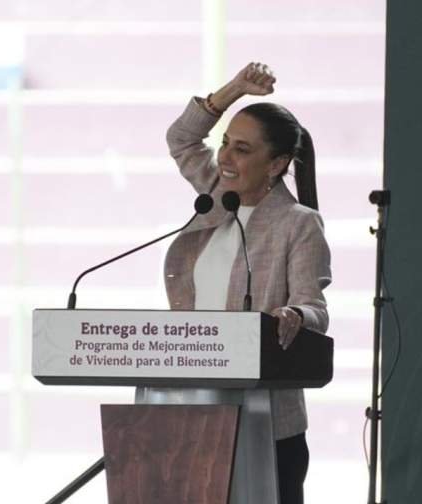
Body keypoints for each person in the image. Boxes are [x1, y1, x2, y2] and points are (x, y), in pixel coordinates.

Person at [163, 62, 332, 504]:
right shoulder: (217, 196)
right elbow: (181, 138)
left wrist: (294, 315)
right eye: (225, 144)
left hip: (267, 425)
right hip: (195, 413)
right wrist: (234, 90)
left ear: (276, 164)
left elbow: (314, 308)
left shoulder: (299, 223)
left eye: (241, 149)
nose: (225, 158)